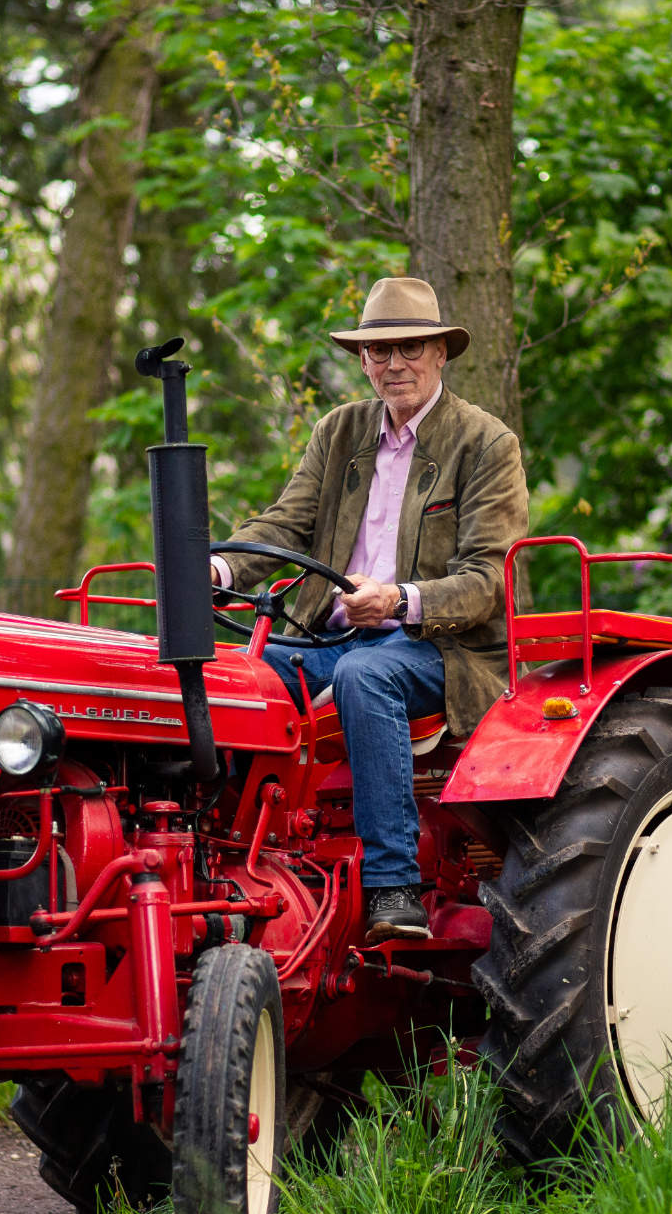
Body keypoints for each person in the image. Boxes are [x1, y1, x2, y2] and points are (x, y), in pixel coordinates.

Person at [212, 277, 528, 942]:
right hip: (331, 641)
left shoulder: (485, 443)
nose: (394, 363)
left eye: (409, 347)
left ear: (440, 353)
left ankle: (393, 889)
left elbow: (486, 583)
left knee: (367, 676)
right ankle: (226, 862)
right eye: (379, 350)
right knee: (230, 674)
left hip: (442, 650)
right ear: (362, 360)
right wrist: (219, 568)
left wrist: (399, 599)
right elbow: (285, 524)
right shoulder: (340, 431)